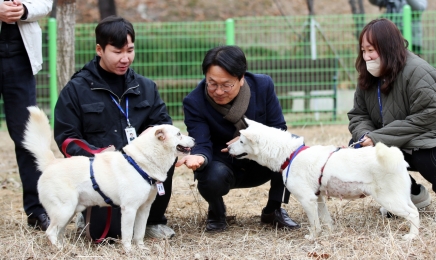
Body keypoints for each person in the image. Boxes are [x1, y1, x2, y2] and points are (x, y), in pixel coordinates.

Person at [54, 16, 175, 239]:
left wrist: (155, 138)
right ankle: (86, 213)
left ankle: (153, 219)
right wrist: (97, 155)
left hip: (140, 169)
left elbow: (163, 124)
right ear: (100, 49)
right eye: (117, 51)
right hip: (103, 176)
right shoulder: (77, 89)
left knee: (167, 154)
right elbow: (67, 138)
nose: (125, 58)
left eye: (130, 50)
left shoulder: (146, 87)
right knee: (107, 235)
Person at [176, 45, 301, 232]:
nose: (218, 91)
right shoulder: (194, 102)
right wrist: (199, 156)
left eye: (226, 85)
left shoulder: (263, 86)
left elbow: (278, 129)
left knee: (292, 146)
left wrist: (248, 142)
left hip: (261, 161)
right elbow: (201, 141)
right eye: (212, 83)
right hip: (224, 164)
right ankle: (217, 212)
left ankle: (273, 210)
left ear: (241, 78)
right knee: (210, 175)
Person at [348, 18, 436, 215]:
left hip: (426, 138)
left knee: (423, 154)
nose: (366, 56)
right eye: (363, 50)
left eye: (371, 50)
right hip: (393, 140)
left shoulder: (417, 71)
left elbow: (430, 114)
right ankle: (411, 195)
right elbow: (358, 114)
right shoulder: (367, 75)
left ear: (388, 47)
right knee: (361, 150)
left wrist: (379, 138)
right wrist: (365, 136)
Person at [0, 0, 53, 231]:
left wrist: (24, 10)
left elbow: (45, 3)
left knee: (27, 137)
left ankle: (36, 210)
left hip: (21, 59)